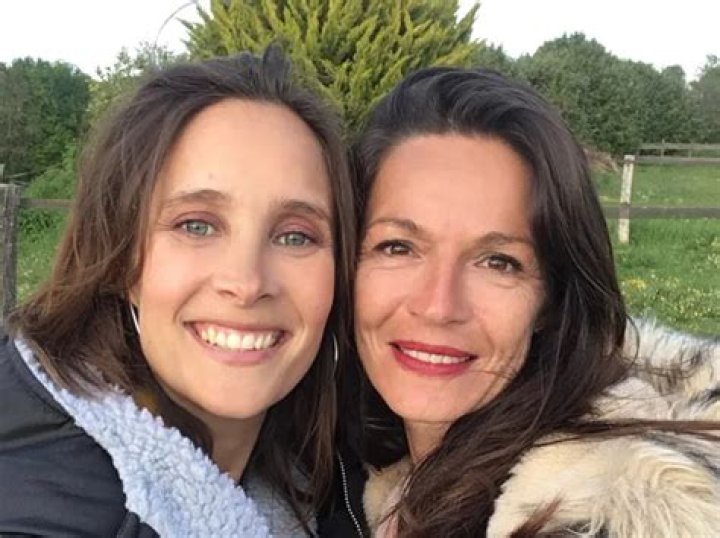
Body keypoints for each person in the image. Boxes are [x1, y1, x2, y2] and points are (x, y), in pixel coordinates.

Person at [321, 67, 720, 537]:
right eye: (398, 247)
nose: (438, 306)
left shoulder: (601, 513)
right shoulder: (333, 464)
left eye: (498, 262)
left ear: (551, 298)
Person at [0, 47, 356, 537]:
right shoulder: (43, 506)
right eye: (196, 225)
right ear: (122, 260)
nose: (247, 283)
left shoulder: (329, 483)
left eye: (295, 236)